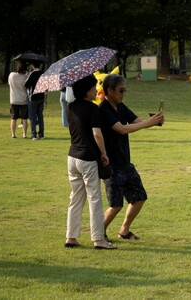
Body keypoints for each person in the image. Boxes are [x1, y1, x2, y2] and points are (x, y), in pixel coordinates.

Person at [99, 74, 165, 240]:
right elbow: (122, 129)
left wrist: (153, 121)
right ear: (109, 91)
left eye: (124, 91)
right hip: (111, 165)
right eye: (121, 91)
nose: (123, 94)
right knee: (115, 205)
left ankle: (124, 230)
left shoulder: (121, 107)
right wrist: (148, 123)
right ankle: (99, 233)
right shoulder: (103, 110)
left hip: (125, 163)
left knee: (139, 197)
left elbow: (136, 121)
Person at [65, 75, 116, 250]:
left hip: (72, 157)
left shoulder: (70, 107)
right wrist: (103, 153)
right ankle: (99, 239)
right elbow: (96, 134)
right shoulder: (93, 109)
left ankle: (71, 237)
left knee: (76, 198)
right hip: (88, 158)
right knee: (95, 199)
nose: (96, 91)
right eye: (94, 88)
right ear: (87, 91)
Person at [24, 61, 45, 139]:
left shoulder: (32, 74)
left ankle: (34, 134)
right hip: (41, 97)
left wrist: (27, 76)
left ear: (33, 66)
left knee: (32, 116)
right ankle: (41, 133)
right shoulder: (42, 73)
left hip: (33, 98)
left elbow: (25, 85)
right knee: (40, 116)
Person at [8, 63, 29, 138]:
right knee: (24, 118)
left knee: (13, 118)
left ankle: (13, 134)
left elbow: (9, 83)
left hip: (14, 99)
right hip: (23, 100)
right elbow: (27, 87)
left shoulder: (11, 75)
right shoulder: (25, 77)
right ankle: (24, 134)